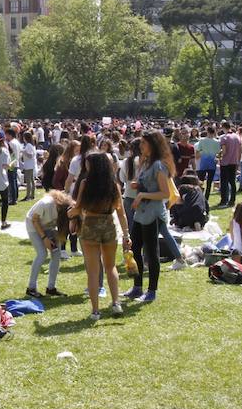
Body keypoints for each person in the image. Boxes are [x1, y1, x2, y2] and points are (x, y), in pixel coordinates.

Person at [68, 153, 129, 320]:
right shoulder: (113, 185)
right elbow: (121, 213)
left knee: (93, 272)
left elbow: (78, 208)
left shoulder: (86, 184)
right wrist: (126, 234)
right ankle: (116, 303)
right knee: (111, 267)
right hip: (109, 225)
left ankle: (95, 311)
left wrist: (69, 211)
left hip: (90, 227)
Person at [125, 131, 175, 303]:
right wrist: (138, 185)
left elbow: (164, 193)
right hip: (141, 213)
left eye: (144, 144)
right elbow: (147, 184)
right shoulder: (145, 163)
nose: (141, 146)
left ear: (153, 145)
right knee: (135, 248)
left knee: (151, 252)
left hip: (153, 213)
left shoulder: (159, 165)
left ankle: (151, 291)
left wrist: (142, 195)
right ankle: (137, 287)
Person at [24, 190, 74, 299]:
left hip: (48, 226)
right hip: (33, 225)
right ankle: (31, 288)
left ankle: (51, 288)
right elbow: (35, 220)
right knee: (42, 254)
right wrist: (44, 238)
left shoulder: (63, 213)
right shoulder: (46, 204)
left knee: (56, 254)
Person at [217, 122, 241, 207]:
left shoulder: (223, 137)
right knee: (232, 182)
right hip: (234, 162)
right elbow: (240, 150)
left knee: (224, 182)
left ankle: (224, 200)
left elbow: (224, 151)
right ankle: (232, 200)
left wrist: (218, 155)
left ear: (223, 128)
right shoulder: (237, 137)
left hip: (225, 162)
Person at [195, 126, 220, 201]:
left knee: (200, 182)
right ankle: (206, 198)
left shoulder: (202, 140)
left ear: (207, 132)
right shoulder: (217, 142)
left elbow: (198, 151)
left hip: (203, 164)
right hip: (212, 164)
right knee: (209, 183)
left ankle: (199, 197)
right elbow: (218, 153)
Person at [20, 131, 37, 201]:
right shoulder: (31, 145)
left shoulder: (29, 145)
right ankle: (32, 195)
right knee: (31, 181)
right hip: (30, 164)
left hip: (29, 165)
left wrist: (23, 151)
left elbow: (30, 155)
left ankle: (28, 196)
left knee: (29, 181)